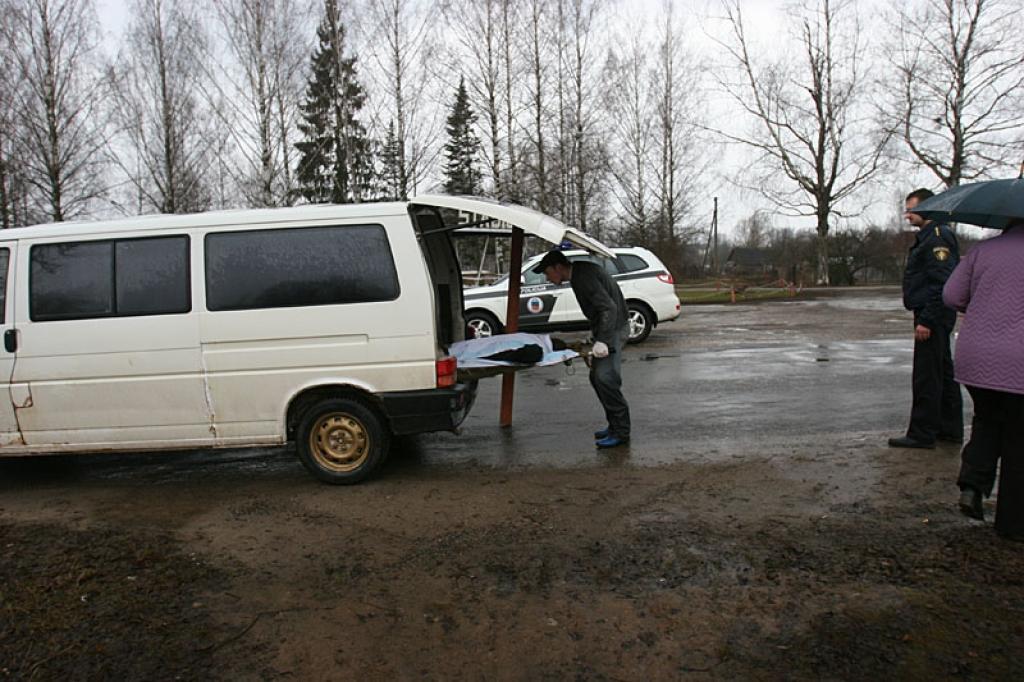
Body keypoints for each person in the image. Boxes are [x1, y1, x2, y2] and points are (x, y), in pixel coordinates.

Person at [942, 219, 1024, 538]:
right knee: (1018, 436)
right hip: (1019, 360)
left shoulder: (983, 250)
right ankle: (1013, 524)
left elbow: (951, 296)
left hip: (977, 355)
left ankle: (972, 485)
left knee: (988, 418)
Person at [888, 188, 964, 449]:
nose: (907, 216)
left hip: (932, 315)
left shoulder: (936, 238)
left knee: (927, 375)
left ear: (928, 207)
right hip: (936, 314)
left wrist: (927, 320)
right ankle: (949, 429)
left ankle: (922, 433)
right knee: (943, 371)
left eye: (912, 210)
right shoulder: (934, 235)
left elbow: (941, 283)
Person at [532, 250, 630, 448]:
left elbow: (608, 308)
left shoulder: (583, 276)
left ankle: (621, 432)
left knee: (605, 379)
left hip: (614, 329)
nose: (547, 278)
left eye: (547, 272)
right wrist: (595, 336)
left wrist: (603, 340)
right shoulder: (580, 273)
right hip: (608, 328)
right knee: (596, 378)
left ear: (558, 267)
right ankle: (614, 426)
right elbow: (600, 309)